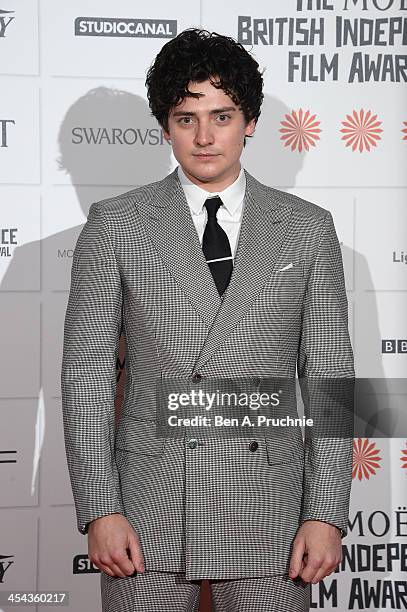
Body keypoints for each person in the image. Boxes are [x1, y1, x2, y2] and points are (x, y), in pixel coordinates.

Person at [61, 28, 354, 612]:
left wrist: (326, 512)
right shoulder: (116, 224)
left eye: (221, 116)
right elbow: (87, 377)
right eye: (185, 116)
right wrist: (101, 507)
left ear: (250, 121)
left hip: (270, 511)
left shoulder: (308, 227)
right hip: (147, 511)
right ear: (164, 124)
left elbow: (329, 383)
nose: (203, 136)